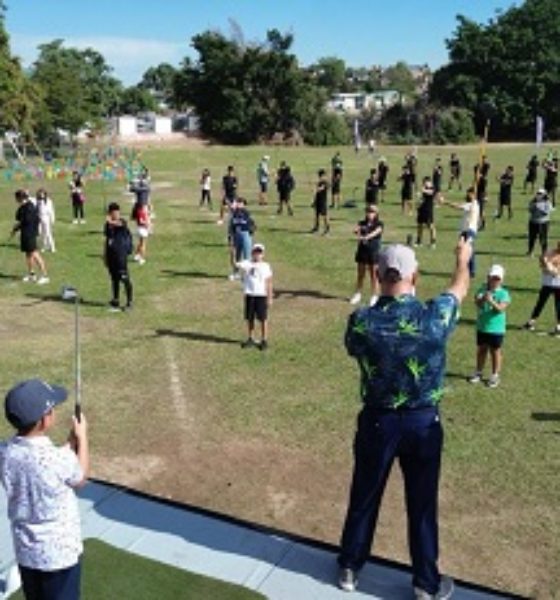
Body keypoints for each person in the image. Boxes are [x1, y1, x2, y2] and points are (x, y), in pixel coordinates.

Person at [337, 240, 472, 598]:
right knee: (422, 503)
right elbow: (460, 288)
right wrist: (462, 259)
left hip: (378, 422)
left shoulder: (362, 322)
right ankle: (425, 583)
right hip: (422, 424)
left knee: (365, 494)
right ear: (415, 275)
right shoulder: (433, 317)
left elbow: (353, 345)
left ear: (377, 275)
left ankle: (350, 566)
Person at [0, 378, 89, 600]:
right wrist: (83, 438)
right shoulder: (58, 460)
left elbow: (53, 460)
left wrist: (71, 441)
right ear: (44, 420)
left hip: (26, 553)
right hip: (59, 557)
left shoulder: (5, 452)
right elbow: (80, 477)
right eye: (52, 408)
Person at [468, 264, 511, 388]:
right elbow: (477, 303)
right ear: (488, 277)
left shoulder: (504, 293)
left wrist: (491, 300)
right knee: (481, 350)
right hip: (482, 326)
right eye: (493, 278)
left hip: (496, 329)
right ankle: (478, 372)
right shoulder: (482, 289)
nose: (495, 281)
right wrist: (482, 299)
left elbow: (501, 309)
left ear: (502, 280)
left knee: (495, 351)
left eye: (498, 279)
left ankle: (494, 375)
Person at [236, 243, 273, 350]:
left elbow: (269, 282)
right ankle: (250, 338)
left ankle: (264, 339)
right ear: (252, 253)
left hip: (261, 295)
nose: (257, 255)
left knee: (263, 318)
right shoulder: (247, 263)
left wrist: (269, 297)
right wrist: (232, 252)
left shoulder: (266, 266)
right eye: (256, 252)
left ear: (263, 254)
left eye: (259, 252)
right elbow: (235, 264)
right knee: (250, 318)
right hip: (249, 294)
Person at [10, 189, 49, 284]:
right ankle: (32, 274)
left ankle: (45, 276)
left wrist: (16, 228)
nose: (16, 200)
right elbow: (18, 217)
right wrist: (16, 228)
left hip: (30, 234)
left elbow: (26, 221)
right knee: (28, 255)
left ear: (20, 198)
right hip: (25, 233)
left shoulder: (30, 207)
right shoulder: (23, 207)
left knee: (35, 254)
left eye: (17, 198)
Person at [440, 186, 480, 277]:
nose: (467, 195)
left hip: (470, 231)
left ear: (473, 194)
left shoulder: (473, 204)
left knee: (468, 250)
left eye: (469, 193)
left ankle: (471, 270)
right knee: (460, 249)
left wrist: (445, 202)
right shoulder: (471, 204)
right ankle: (462, 269)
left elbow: (458, 206)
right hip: (464, 230)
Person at [523, 241, 560, 336]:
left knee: (558, 305)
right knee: (540, 303)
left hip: (558, 284)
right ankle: (531, 322)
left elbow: (555, 272)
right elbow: (542, 265)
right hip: (547, 283)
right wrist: (544, 263)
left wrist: (548, 265)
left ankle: (558, 326)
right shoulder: (550, 252)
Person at [349, 204, 383, 306]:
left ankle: (374, 295)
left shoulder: (379, 224)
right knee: (360, 274)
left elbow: (377, 232)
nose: (370, 214)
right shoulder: (362, 223)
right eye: (368, 211)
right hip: (362, 250)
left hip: (373, 251)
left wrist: (366, 237)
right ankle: (357, 293)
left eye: (372, 212)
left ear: (376, 213)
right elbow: (357, 229)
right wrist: (357, 231)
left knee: (373, 274)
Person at [103, 202, 133, 312]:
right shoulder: (107, 225)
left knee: (124, 278)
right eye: (112, 212)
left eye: (116, 212)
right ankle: (115, 299)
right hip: (111, 256)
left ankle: (129, 302)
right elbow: (107, 239)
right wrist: (105, 255)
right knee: (114, 279)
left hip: (121, 256)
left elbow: (120, 225)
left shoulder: (122, 222)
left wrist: (110, 221)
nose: (115, 214)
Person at [228, 198, 255, 280]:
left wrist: (250, 232)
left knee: (247, 255)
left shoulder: (246, 213)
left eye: (241, 203)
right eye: (238, 203)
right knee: (237, 255)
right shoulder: (234, 213)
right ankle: (236, 273)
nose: (239, 204)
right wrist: (230, 236)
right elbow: (231, 225)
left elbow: (251, 224)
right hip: (236, 234)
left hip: (245, 233)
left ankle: (248, 273)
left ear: (244, 204)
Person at [527, 189, 553, 256]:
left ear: (544, 195)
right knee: (532, 238)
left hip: (543, 223)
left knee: (543, 238)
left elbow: (547, 212)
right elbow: (530, 210)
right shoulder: (533, 202)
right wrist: (533, 206)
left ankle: (544, 252)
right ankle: (530, 251)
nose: (539, 195)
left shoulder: (547, 202)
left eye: (540, 194)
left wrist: (539, 208)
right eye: (538, 193)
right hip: (533, 222)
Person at [415, 177, 437, 248]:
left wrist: (423, 190)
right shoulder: (424, 189)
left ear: (429, 182)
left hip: (428, 209)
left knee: (430, 226)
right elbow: (421, 199)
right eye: (423, 182)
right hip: (421, 209)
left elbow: (431, 193)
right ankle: (419, 241)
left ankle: (433, 242)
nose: (424, 183)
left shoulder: (432, 188)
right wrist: (418, 202)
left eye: (425, 182)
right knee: (420, 226)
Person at [36, 188, 56, 253]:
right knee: (42, 233)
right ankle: (44, 246)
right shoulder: (38, 201)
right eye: (40, 194)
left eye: (42, 194)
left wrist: (52, 219)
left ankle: (52, 247)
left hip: (46, 218)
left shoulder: (49, 201)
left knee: (48, 233)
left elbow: (51, 211)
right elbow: (37, 210)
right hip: (40, 218)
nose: (41, 195)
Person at [132, 197, 151, 265]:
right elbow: (141, 221)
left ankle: (137, 255)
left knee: (140, 242)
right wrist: (147, 224)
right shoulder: (140, 211)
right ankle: (142, 258)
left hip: (139, 228)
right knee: (143, 244)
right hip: (142, 229)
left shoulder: (140, 210)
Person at [311, 169, 330, 234]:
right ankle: (316, 227)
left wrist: (316, 189)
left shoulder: (325, 182)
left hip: (323, 200)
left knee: (324, 215)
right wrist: (314, 201)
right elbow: (317, 192)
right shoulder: (320, 182)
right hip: (318, 200)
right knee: (317, 215)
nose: (319, 177)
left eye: (320, 175)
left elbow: (321, 188)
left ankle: (327, 227)